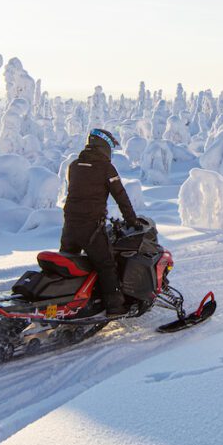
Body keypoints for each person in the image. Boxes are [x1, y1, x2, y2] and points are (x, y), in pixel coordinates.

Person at [61, 127, 140, 317]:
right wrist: (132, 220)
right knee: (106, 265)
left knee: (68, 267)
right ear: (104, 145)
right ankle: (115, 307)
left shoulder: (74, 165)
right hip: (91, 229)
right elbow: (121, 196)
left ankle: (69, 302)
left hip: (69, 227)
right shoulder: (105, 168)